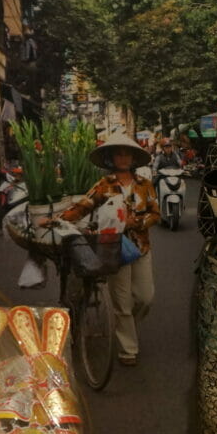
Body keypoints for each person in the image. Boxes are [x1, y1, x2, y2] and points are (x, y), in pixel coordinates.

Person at [52, 133, 160, 366]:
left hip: (141, 247)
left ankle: (127, 325)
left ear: (133, 158)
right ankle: (128, 349)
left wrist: (138, 223)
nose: (122, 157)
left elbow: (155, 213)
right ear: (111, 158)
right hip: (113, 248)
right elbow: (83, 207)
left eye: (126, 153)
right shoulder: (104, 185)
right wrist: (56, 219)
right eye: (118, 153)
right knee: (122, 302)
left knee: (145, 297)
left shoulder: (145, 185)